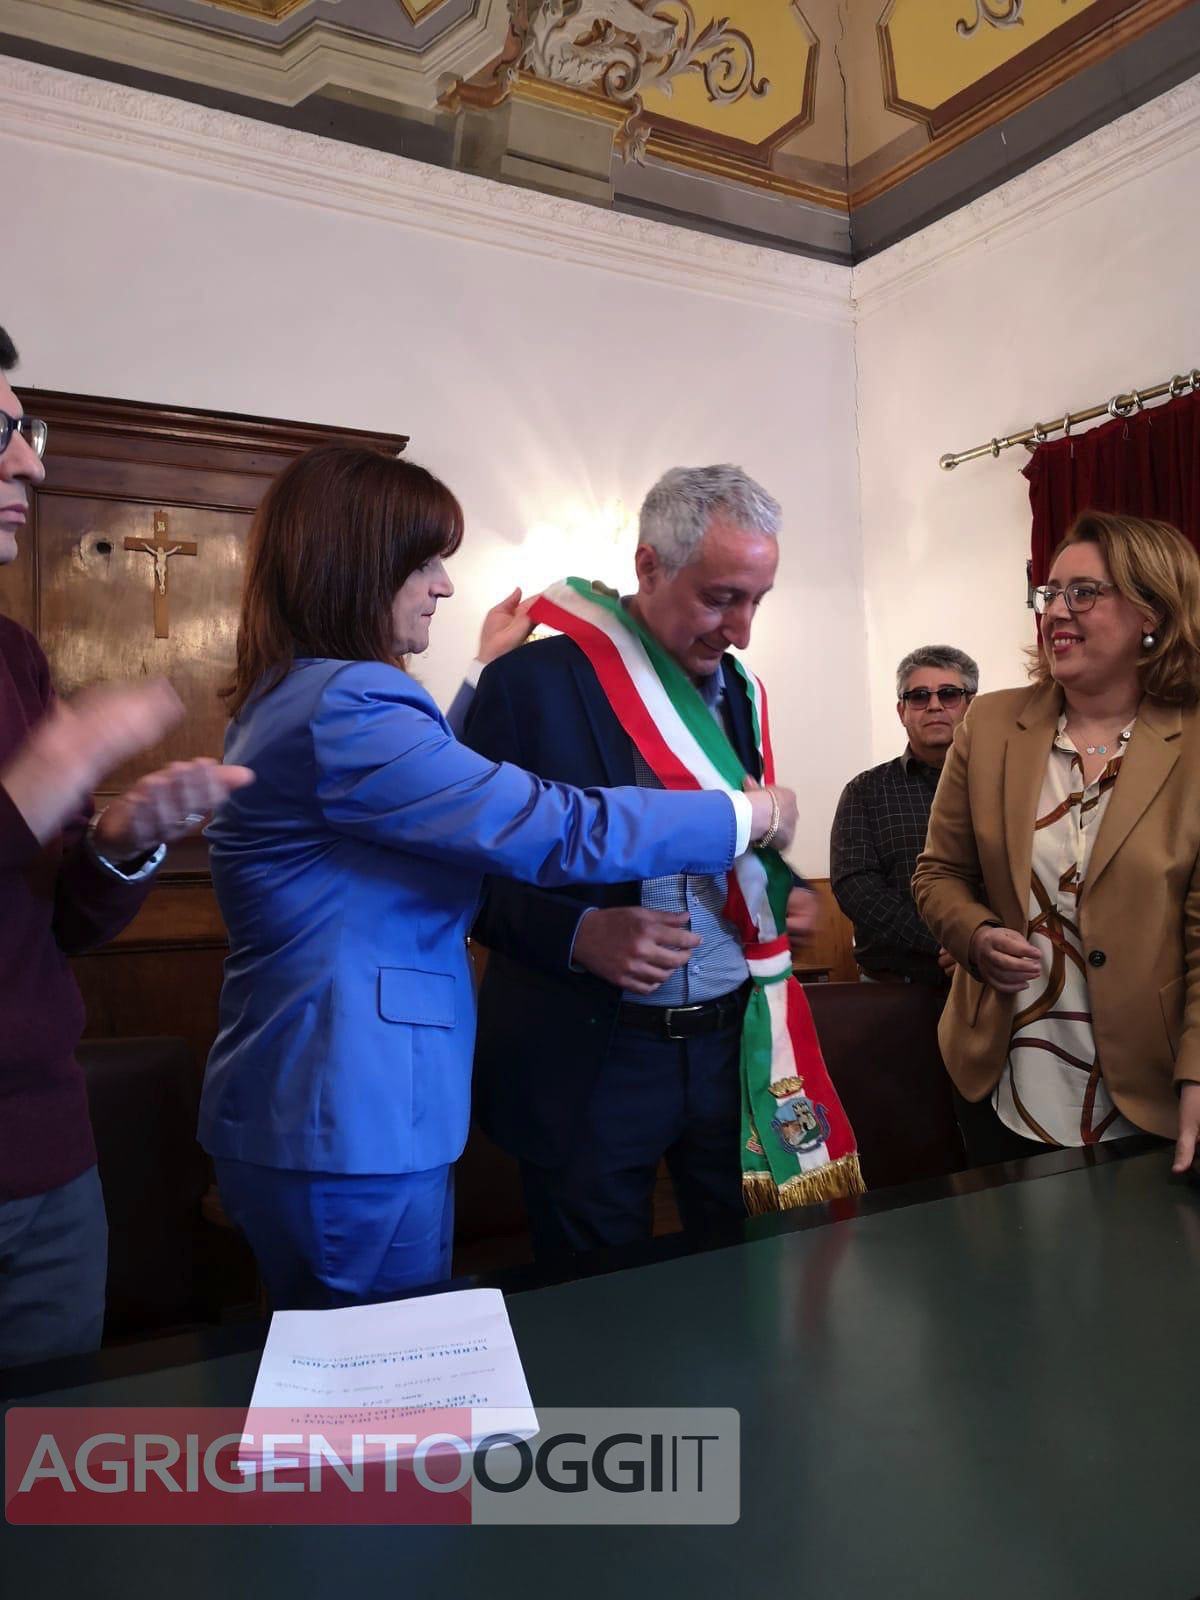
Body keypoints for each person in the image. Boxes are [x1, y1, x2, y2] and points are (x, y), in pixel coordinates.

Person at [198, 444, 796, 1310]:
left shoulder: (306, 696)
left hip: (337, 1103)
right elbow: (549, 826)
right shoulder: (355, 704)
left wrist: (476, 674)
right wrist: (750, 815)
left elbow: (425, 802)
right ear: (356, 567)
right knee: (384, 1372)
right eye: (426, 562)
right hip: (349, 1108)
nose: (444, 585)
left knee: (375, 1366)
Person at [463, 464, 826, 1259]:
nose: (742, 630)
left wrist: (789, 889)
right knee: (602, 1297)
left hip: (732, 1047)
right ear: (650, 566)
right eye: (721, 597)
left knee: (750, 1274)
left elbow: (741, 838)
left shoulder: (739, 692)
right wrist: (578, 934)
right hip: (592, 1054)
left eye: (757, 600)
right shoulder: (530, 685)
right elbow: (464, 877)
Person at [0, 325, 252, 1369]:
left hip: (46, 1154)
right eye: (2, 436)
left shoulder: (14, 654)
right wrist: (42, 781)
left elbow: (55, 923)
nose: (31, 464)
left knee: (53, 1452)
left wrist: (119, 840)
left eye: (28, 433)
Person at [912, 510, 1200, 1172]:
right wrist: (976, 936)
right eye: (1049, 593)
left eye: (1084, 593)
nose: (1056, 612)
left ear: (1153, 611)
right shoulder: (989, 724)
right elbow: (938, 874)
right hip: (1004, 1073)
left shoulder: (1192, 740)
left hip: (1151, 1083)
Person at [831, 645, 978, 987]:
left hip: (989, 979)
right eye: (919, 696)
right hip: (894, 987)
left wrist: (980, 940)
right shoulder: (865, 791)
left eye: (949, 694)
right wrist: (951, 941)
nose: (934, 705)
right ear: (902, 711)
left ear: (971, 706)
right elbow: (857, 887)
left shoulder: (1004, 785)